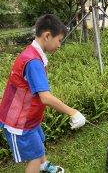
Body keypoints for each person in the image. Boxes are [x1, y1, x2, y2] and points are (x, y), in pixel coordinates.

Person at [0, 14, 86, 173]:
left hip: (28, 117)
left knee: (38, 142)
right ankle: (38, 165)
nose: (60, 45)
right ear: (47, 36)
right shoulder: (32, 61)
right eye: (59, 40)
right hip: (19, 121)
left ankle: (44, 166)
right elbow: (45, 97)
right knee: (34, 156)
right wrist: (73, 112)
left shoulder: (33, 53)